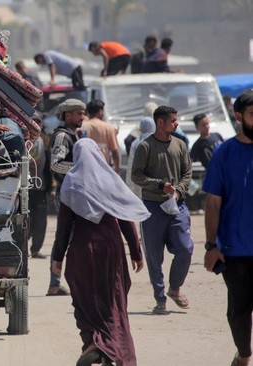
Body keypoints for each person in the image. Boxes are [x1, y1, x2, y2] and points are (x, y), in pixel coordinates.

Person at [52, 138, 149, 366]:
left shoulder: (71, 182)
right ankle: (109, 348)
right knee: (113, 298)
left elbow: (64, 226)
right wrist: (135, 251)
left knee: (84, 298)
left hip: (82, 248)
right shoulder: (110, 179)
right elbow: (126, 219)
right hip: (111, 247)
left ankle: (94, 343)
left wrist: (57, 257)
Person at [203, 90, 253, 366]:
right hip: (235, 249)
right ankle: (244, 355)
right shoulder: (224, 153)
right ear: (238, 116)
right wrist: (211, 246)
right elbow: (212, 203)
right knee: (239, 310)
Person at [131, 105, 194, 315]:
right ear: (160, 122)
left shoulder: (180, 145)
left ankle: (174, 289)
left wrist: (178, 192)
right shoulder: (145, 147)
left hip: (177, 205)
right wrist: (159, 185)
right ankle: (160, 298)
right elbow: (136, 176)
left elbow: (187, 173)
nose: (177, 124)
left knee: (185, 248)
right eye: (173, 120)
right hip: (152, 208)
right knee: (154, 256)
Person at [47, 98, 87, 296]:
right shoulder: (63, 137)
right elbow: (56, 164)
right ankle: (55, 281)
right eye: (79, 113)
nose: (82, 117)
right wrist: (80, 169)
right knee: (64, 237)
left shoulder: (75, 135)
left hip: (74, 193)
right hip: (66, 193)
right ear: (68, 115)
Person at [28, 112, 52, 259]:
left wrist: (53, 186)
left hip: (41, 186)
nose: (36, 125)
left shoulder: (45, 140)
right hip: (24, 187)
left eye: (38, 122)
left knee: (40, 220)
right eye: (33, 121)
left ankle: (36, 249)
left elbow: (50, 165)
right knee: (26, 220)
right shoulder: (22, 138)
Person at [81, 99, 120, 173]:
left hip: (87, 168)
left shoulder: (82, 127)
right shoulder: (108, 128)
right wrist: (117, 170)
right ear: (100, 111)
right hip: (104, 168)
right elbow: (115, 152)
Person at [125, 117, 156, 198]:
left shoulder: (135, 143)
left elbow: (131, 165)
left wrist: (129, 182)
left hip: (138, 180)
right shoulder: (158, 141)